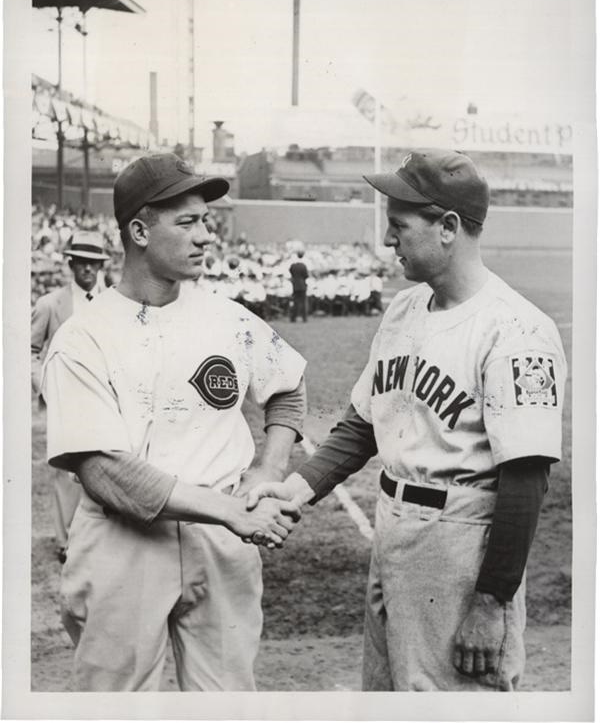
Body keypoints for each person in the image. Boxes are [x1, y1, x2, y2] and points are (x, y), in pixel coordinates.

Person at [247, 148, 567, 692]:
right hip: (393, 532)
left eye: (398, 225)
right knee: (386, 697)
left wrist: (491, 602)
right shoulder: (403, 309)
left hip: (462, 543)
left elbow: (526, 479)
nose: (388, 239)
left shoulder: (516, 331)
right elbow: (363, 425)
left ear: (448, 227)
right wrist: (294, 490)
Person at [41, 153, 306, 692]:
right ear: (138, 230)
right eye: (186, 222)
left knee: (226, 699)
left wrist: (269, 467)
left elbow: (289, 388)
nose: (205, 235)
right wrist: (232, 511)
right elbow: (105, 472)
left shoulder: (226, 317)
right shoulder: (83, 337)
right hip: (125, 540)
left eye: (206, 221)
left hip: (223, 538)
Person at [31, 230, 110, 563]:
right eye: (81, 264)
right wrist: (46, 382)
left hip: (105, 397)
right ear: (71, 265)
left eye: (94, 264)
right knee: (66, 470)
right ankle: (66, 542)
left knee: (104, 465)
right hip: (66, 399)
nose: (88, 271)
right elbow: (29, 350)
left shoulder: (115, 302)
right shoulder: (51, 304)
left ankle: (97, 536)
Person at [289, 249, 309, 322]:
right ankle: (304, 318)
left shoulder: (293, 266)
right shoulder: (303, 266)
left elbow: (291, 273)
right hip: (302, 285)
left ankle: (293, 318)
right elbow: (306, 275)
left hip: (295, 285)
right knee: (303, 303)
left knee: (295, 302)